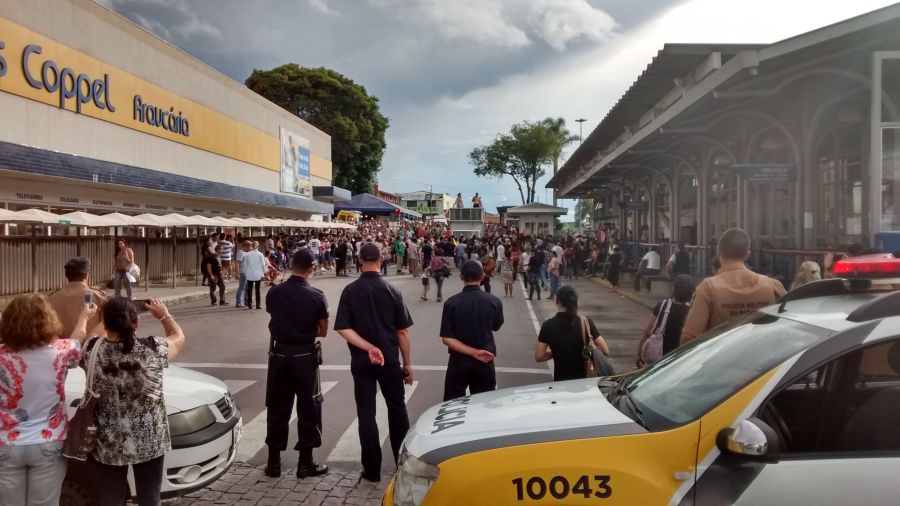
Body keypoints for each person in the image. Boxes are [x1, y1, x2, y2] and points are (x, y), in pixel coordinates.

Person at [83, 297, 185, 506]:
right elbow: (178, 337)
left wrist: (103, 315)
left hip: (108, 438)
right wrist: (164, 315)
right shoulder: (152, 349)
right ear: (136, 322)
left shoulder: (91, 350)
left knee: (110, 499)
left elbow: (93, 335)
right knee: (149, 497)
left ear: (106, 323)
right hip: (149, 438)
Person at [0, 294, 96, 506]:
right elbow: (78, 338)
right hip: (49, 441)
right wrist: (84, 316)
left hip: (5, 443)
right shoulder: (62, 351)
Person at [334, 243, 414, 483]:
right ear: (382, 259)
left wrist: (367, 347)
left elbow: (343, 328)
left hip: (361, 360)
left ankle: (371, 470)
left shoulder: (350, 290)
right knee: (397, 410)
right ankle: (402, 467)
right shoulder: (392, 290)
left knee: (366, 413)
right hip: (389, 360)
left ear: (359, 260)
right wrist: (407, 364)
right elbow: (402, 333)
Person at [263, 250, 329, 479]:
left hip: (280, 356)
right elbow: (323, 331)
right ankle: (305, 463)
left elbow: (274, 317)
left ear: (292, 265)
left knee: (277, 408)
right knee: (308, 408)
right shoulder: (317, 296)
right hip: (305, 357)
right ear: (311, 267)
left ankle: (273, 463)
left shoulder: (274, 293)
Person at [680, 228, 786, 344]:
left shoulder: (707, 288)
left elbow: (689, 337)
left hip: (722, 354)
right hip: (763, 353)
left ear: (718, 251)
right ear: (747, 255)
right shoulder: (773, 285)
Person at [440, 260, 504, 400]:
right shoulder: (494, 301)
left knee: (453, 403)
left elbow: (447, 339)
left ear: (461, 277)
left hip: (458, 361)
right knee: (483, 402)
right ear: (482, 277)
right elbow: (496, 326)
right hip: (485, 359)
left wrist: (473, 352)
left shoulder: (451, 303)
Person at [534, 285, 609, 381]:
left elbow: (539, 356)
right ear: (574, 302)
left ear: (557, 301)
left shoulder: (548, 325)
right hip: (585, 382)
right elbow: (605, 350)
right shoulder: (585, 322)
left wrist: (557, 351)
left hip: (561, 382)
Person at [636, 274, 695, 367]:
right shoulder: (692, 309)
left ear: (674, 288)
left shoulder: (662, 305)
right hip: (682, 356)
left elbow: (647, 332)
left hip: (661, 356)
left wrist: (639, 355)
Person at [49, 256, 108, 338]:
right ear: (87, 275)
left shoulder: (52, 298)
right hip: (91, 344)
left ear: (67, 275)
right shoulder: (98, 296)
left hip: (62, 345)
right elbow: (107, 325)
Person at [241, 241, 268, 310]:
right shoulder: (260, 254)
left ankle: (249, 305)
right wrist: (265, 273)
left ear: (251, 246)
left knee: (249, 290)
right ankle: (258, 305)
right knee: (257, 290)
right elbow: (263, 265)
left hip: (249, 274)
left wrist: (245, 273)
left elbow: (245, 265)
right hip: (258, 274)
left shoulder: (247, 254)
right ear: (258, 246)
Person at [235, 240, 250, 307]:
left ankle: (246, 301)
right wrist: (237, 273)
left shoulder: (247, 253)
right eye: (250, 246)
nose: (250, 248)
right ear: (246, 246)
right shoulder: (240, 252)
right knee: (242, 287)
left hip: (247, 273)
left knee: (247, 287)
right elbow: (237, 263)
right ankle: (238, 302)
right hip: (243, 272)